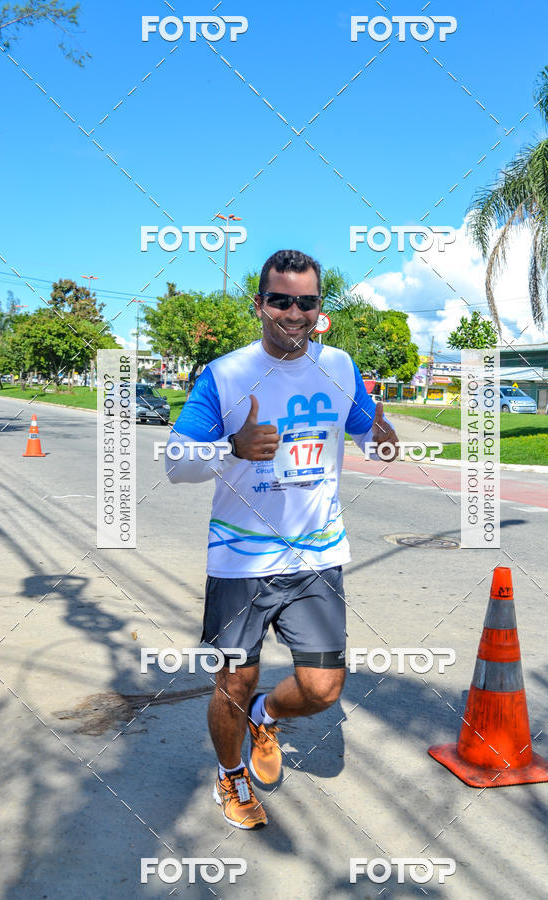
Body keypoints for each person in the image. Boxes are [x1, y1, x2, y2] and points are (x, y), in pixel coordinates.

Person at [166, 249, 399, 829]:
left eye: (306, 302)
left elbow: (369, 433)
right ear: (260, 304)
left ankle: (265, 714)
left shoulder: (339, 366)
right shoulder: (225, 374)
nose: (293, 312)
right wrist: (230, 448)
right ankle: (231, 774)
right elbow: (175, 461)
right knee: (233, 679)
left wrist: (384, 436)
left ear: (319, 308)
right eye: (280, 300)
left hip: (318, 556)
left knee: (322, 688)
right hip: (241, 560)